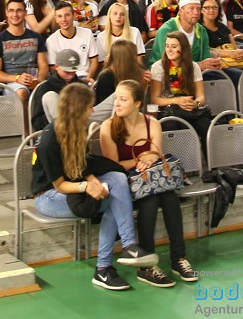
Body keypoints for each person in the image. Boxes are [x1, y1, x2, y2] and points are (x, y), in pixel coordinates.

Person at [30, 83, 157, 291]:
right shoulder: (49, 141)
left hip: (74, 183)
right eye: (90, 106)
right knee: (111, 200)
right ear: (78, 108)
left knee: (117, 178)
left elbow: (79, 164)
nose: (93, 110)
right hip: (49, 196)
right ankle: (103, 268)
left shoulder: (77, 128)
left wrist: (91, 177)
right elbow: (60, 185)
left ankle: (129, 247)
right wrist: (87, 186)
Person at [100, 79, 199, 287]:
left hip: (150, 179)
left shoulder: (152, 123)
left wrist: (151, 157)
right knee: (150, 199)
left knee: (169, 197)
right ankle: (146, 265)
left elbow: (156, 154)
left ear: (137, 103)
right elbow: (114, 166)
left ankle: (178, 258)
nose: (117, 103)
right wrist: (141, 158)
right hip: (125, 183)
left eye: (123, 99)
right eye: (116, 98)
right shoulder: (108, 127)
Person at [149, 32, 210, 142]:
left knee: (204, 125)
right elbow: (155, 99)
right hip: (168, 110)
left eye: (174, 46)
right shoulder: (158, 67)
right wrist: (177, 101)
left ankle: (209, 159)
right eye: (167, 46)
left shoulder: (194, 67)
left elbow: (201, 97)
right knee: (173, 125)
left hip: (189, 109)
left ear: (183, 48)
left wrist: (195, 104)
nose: (169, 50)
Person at [0, 0, 49, 101]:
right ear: (6, 13)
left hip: (34, 80)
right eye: (11, 11)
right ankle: (25, 118)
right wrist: (17, 78)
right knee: (22, 92)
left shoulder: (37, 37)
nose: (15, 14)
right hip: (13, 84)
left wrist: (39, 81)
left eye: (19, 10)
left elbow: (43, 65)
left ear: (25, 13)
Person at [46, 2, 99, 82]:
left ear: (74, 16)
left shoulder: (87, 33)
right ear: (56, 19)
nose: (63, 19)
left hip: (84, 77)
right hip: (64, 80)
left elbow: (94, 60)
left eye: (67, 15)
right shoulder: (51, 40)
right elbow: (53, 68)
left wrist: (88, 77)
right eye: (60, 16)